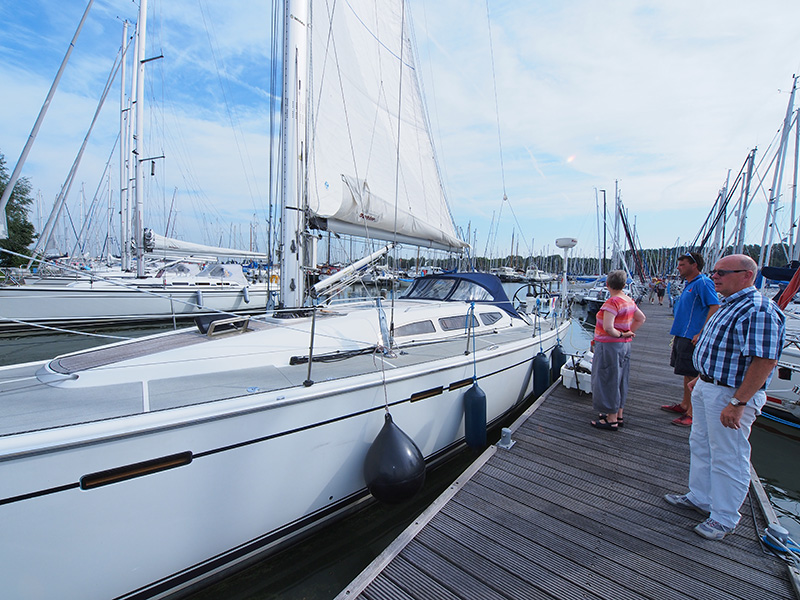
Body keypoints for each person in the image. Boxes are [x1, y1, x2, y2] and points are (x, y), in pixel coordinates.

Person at [664, 254, 785, 540]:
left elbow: (764, 361)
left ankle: (724, 517)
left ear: (746, 276)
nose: (715, 276)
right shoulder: (730, 305)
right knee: (702, 444)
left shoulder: (759, 309)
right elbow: (721, 349)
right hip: (709, 385)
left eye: (722, 272)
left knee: (728, 454)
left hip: (731, 393)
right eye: (715, 271)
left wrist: (739, 402)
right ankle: (701, 497)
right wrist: (700, 378)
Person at [661, 252, 719, 427]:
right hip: (682, 333)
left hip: (692, 335)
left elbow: (715, 306)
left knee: (693, 374)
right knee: (686, 373)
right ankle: (685, 404)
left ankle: (692, 413)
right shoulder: (689, 284)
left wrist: (702, 332)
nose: (678, 268)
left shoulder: (703, 283)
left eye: (682, 264)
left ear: (694, 265)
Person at [590, 270, 646, 430]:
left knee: (607, 378)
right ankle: (617, 413)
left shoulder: (612, 303)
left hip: (610, 346)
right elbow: (641, 318)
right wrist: (628, 332)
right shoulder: (628, 300)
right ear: (623, 284)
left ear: (607, 284)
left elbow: (608, 327)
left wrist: (620, 334)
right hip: (625, 346)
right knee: (620, 378)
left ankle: (611, 418)